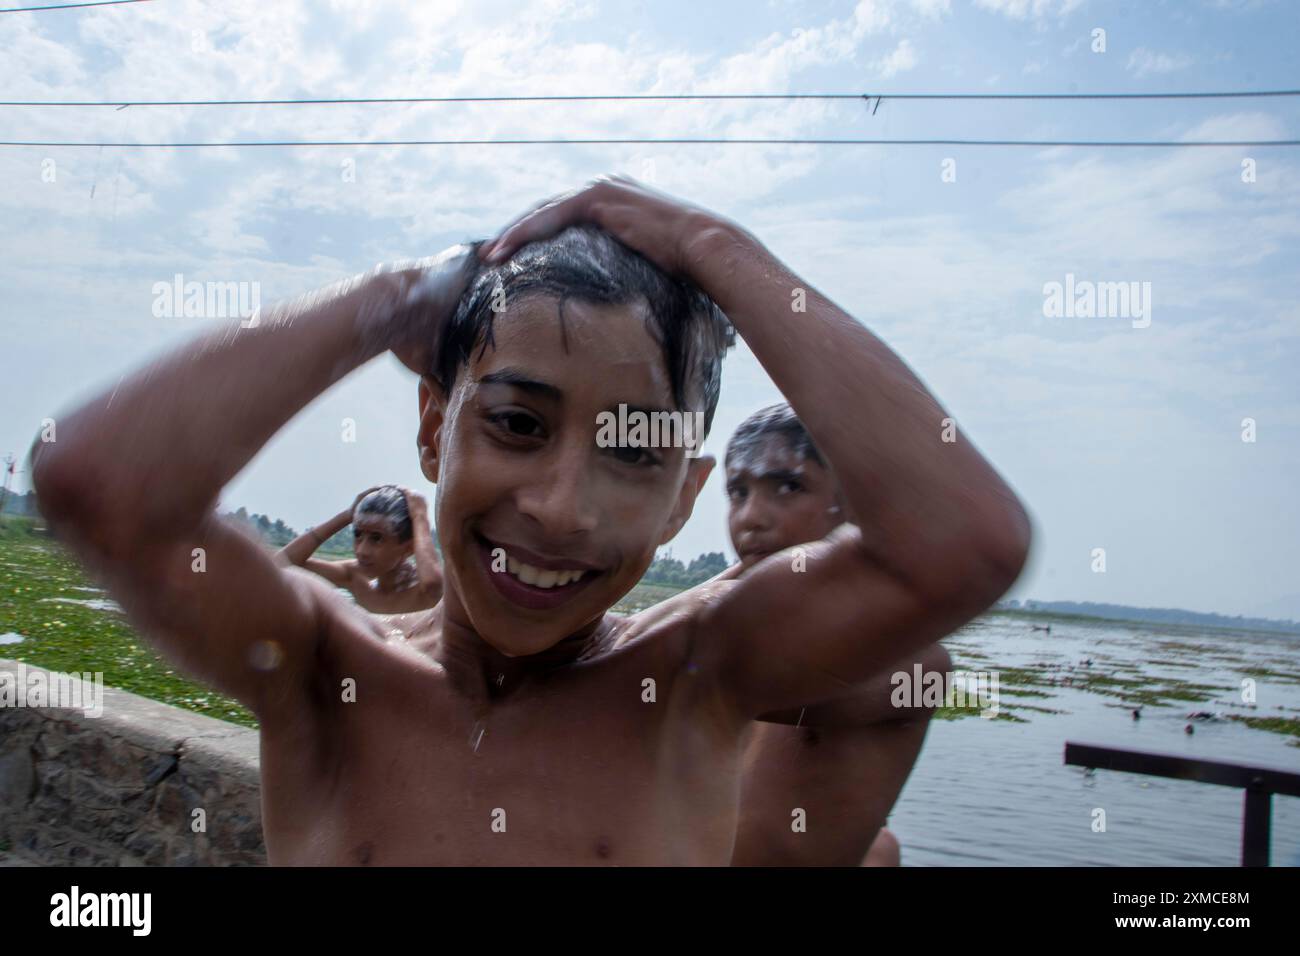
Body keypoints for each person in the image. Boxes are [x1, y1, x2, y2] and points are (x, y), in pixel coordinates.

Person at [31, 175, 1029, 864]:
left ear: (684, 493)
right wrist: (392, 297)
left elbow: (966, 541)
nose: (561, 505)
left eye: (634, 452)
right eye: (515, 422)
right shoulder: (324, 666)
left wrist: (712, 248)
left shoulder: (694, 676)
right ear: (433, 431)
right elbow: (97, 483)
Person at [722, 403, 949, 867]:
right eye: (738, 491)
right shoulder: (738, 632)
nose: (751, 517)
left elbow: (737, 686)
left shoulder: (915, 659)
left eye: (788, 486)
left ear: (855, 504)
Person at [274, 485, 443, 616]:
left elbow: (433, 585)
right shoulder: (354, 577)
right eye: (358, 535)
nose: (362, 551)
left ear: (408, 549)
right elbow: (281, 564)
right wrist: (348, 515)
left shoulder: (423, 589)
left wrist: (420, 516)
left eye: (377, 539)